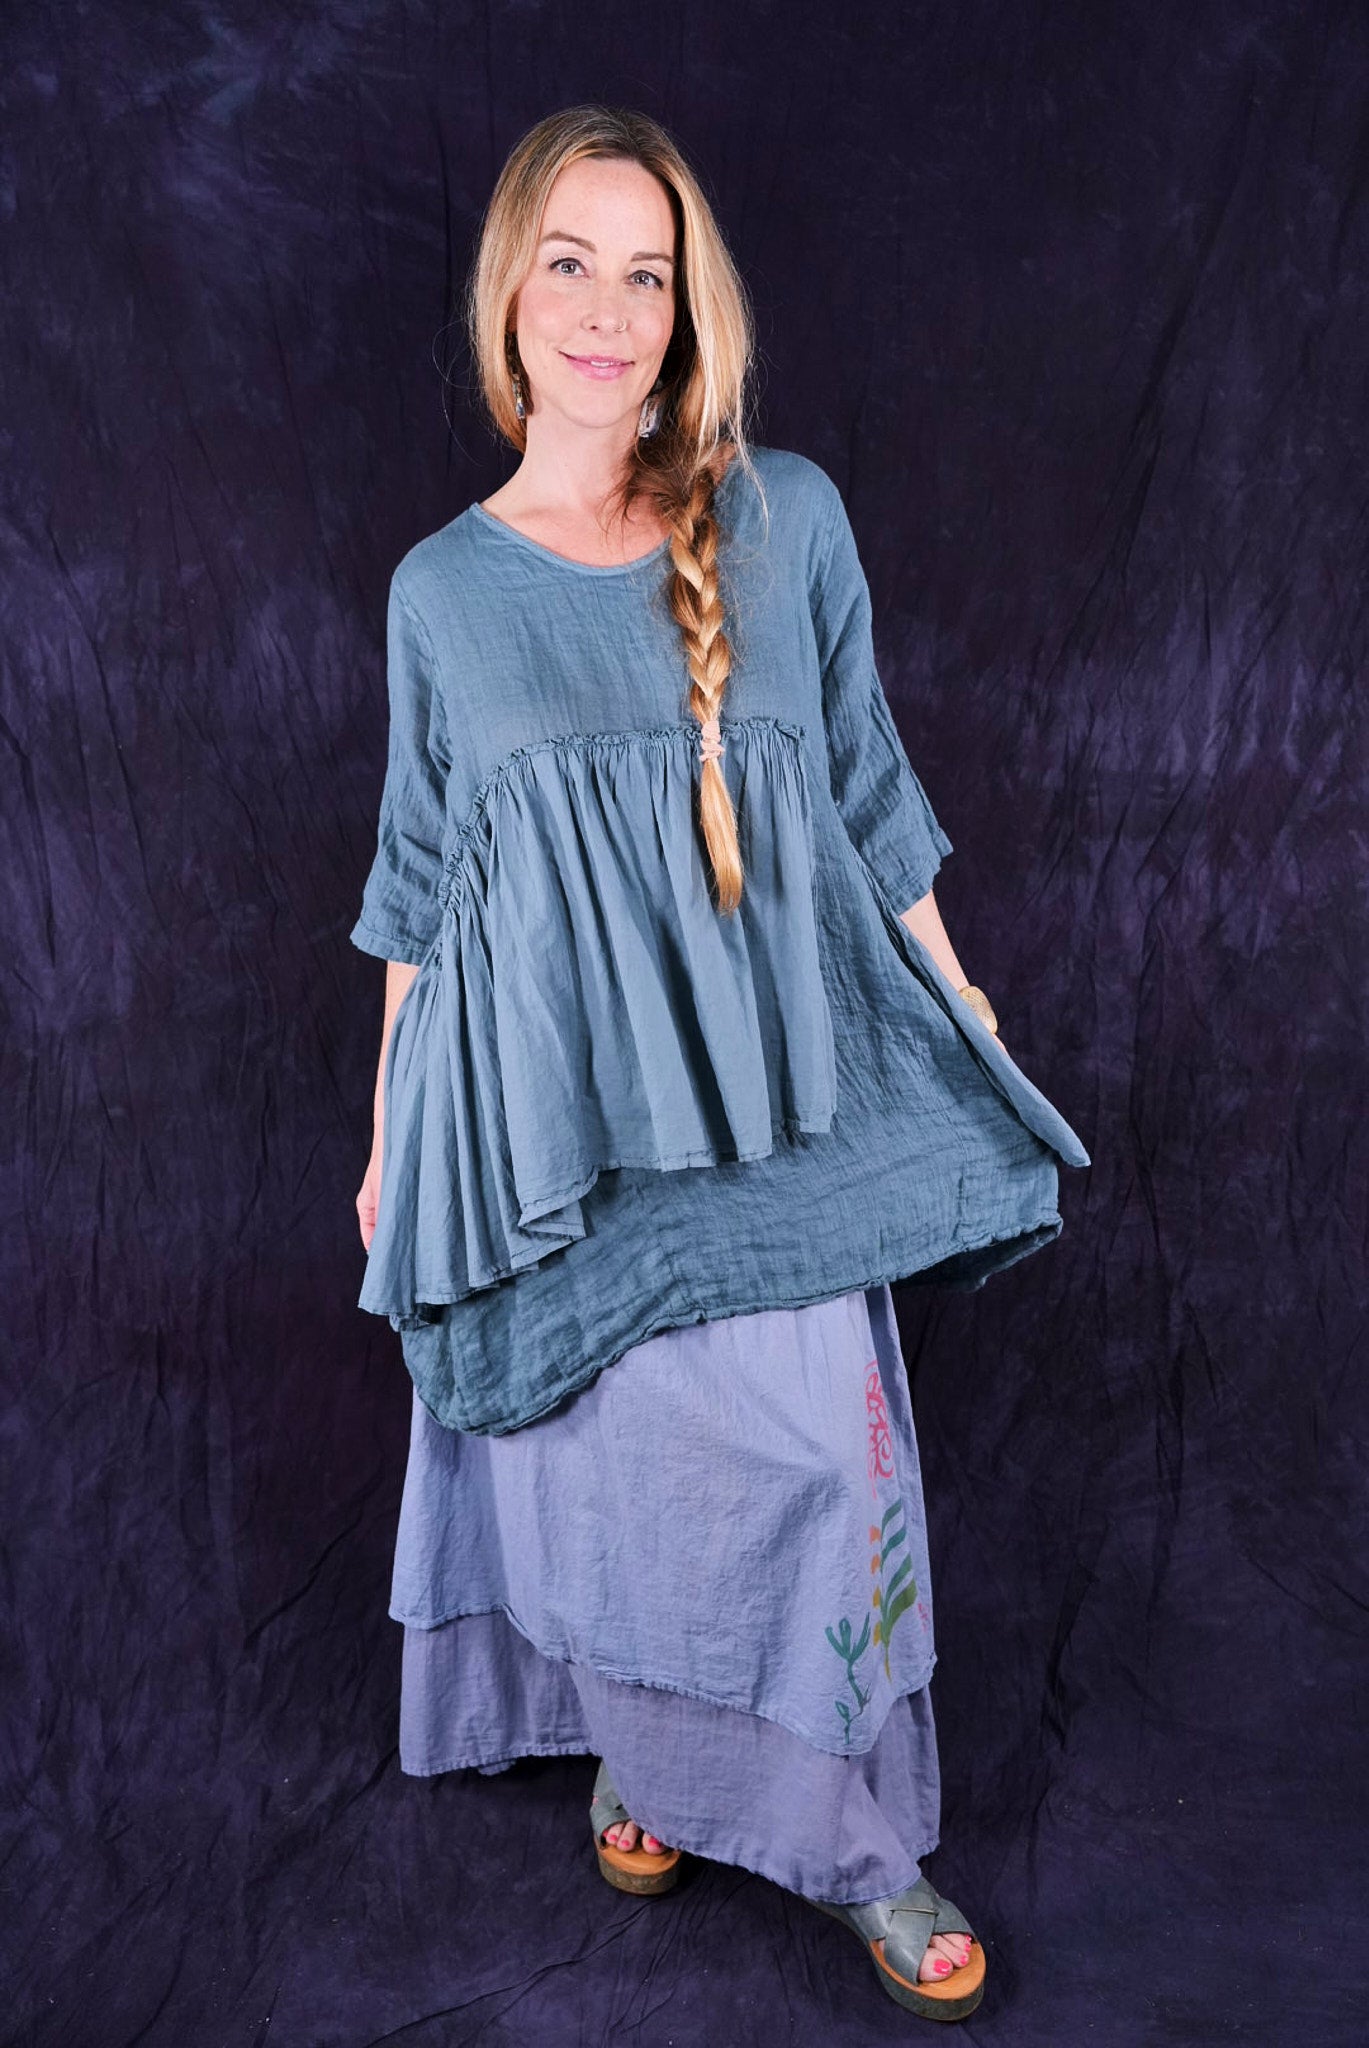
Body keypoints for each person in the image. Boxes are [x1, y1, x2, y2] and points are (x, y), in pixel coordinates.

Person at [351, 104, 1089, 2023]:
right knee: (604, 1488)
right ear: (508, 293)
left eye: (646, 275)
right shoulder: (441, 593)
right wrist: (386, 1136)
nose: (607, 312)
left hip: (769, 1108)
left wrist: (962, 998)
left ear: (686, 314)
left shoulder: (786, 517)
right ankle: (650, 1764)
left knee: (813, 1474)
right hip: (554, 1127)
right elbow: (420, 887)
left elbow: (866, 790)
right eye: (570, 266)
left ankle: (858, 1848)